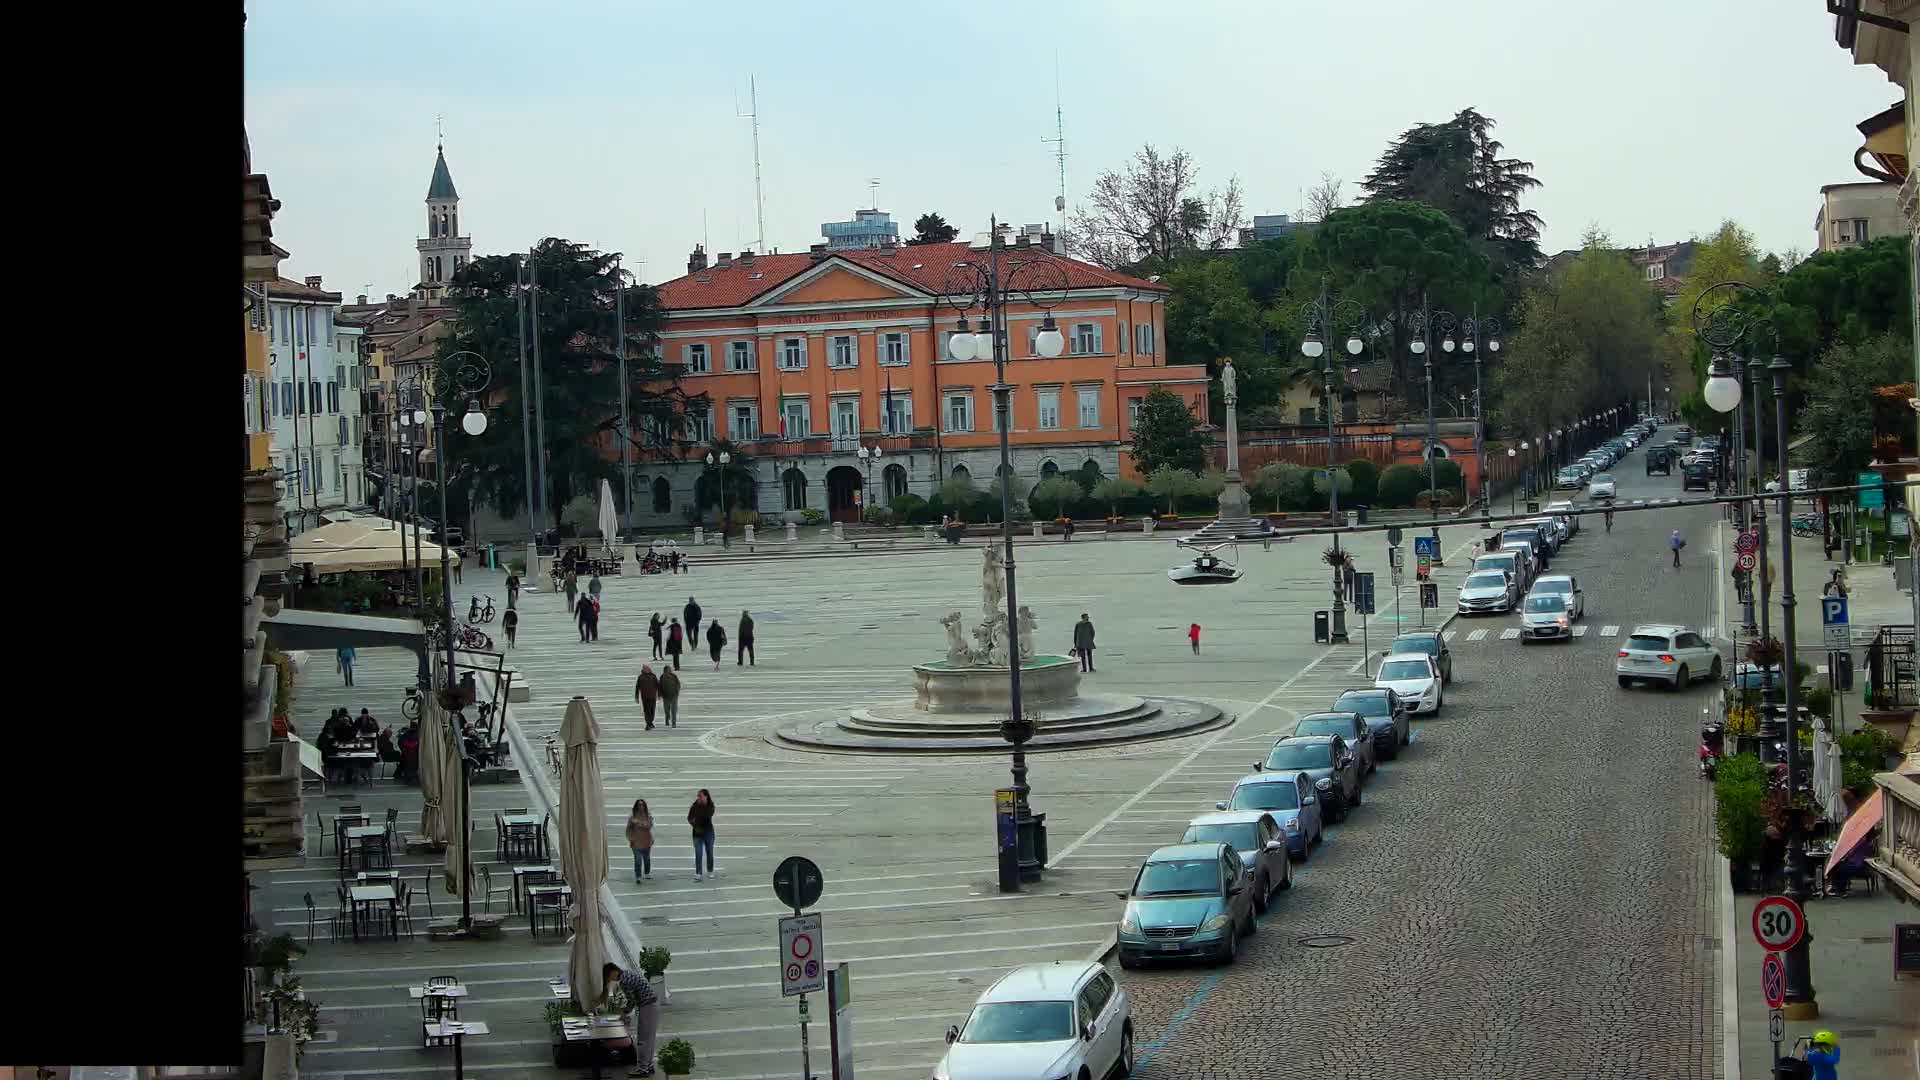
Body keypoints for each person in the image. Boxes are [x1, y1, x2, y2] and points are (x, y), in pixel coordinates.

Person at [601, 961, 659, 1079]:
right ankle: (648, 1065)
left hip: (647, 1006)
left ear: (613, 972)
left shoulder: (624, 980)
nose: (611, 979)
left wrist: (624, 1013)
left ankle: (643, 1068)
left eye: (609, 976)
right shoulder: (627, 974)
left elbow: (631, 1000)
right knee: (649, 1038)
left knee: (643, 1038)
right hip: (651, 1004)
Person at [688, 789, 718, 881]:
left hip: (708, 832)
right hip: (697, 833)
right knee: (698, 853)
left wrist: (698, 812)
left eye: (700, 796)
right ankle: (698, 873)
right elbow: (689, 818)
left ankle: (710, 870)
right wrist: (695, 825)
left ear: (706, 796)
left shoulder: (710, 805)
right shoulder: (695, 805)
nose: (698, 798)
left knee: (709, 852)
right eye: (698, 796)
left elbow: (707, 816)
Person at [626, 799, 654, 884]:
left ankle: (647, 872)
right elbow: (628, 830)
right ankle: (638, 876)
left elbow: (649, 825)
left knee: (646, 859)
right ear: (636, 806)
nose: (641, 806)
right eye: (639, 805)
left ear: (645, 806)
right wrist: (630, 838)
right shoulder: (632, 817)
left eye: (642, 805)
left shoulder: (648, 816)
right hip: (636, 841)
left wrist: (638, 823)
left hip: (646, 841)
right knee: (638, 860)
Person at [635, 664, 660, 730]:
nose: (646, 669)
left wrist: (659, 694)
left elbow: (658, 685)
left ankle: (650, 723)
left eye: (647, 668)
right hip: (645, 697)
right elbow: (637, 687)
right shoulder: (641, 677)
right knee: (647, 711)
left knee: (652, 710)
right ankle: (648, 724)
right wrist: (636, 697)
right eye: (645, 668)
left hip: (652, 696)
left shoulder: (653, 676)